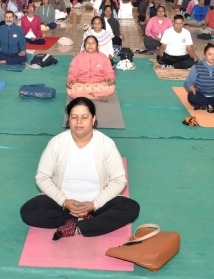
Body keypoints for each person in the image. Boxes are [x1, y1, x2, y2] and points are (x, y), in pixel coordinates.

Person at [20, 97, 139, 240]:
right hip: (63, 205)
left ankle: (78, 227)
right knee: (29, 211)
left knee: (131, 208)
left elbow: (119, 180)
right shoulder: (56, 143)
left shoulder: (106, 144)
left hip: (97, 203)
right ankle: (88, 222)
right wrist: (64, 201)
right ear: (68, 120)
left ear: (93, 119)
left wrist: (95, 204)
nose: (79, 122)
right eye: (74, 117)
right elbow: (42, 177)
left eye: (84, 117)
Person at [66, 36, 115, 101]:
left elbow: (108, 71)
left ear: (97, 46)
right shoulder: (78, 57)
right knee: (70, 89)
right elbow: (73, 72)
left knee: (111, 88)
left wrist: (110, 79)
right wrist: (70, 81)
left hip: (98, 84)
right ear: (84, 45)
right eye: (88, 43)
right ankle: (95, 97)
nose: (90, 45)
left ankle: (85, 96)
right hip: (82, 84)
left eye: (93, 43)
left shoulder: (103, 57)